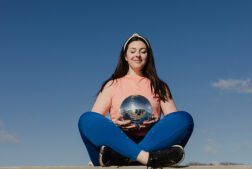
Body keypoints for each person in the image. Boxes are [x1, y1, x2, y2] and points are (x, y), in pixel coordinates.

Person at [78, 33, 194, 168]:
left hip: (152, 142)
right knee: (86, 119)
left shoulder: (159, 86)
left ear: (148, 56)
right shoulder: (111, 85)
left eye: (143, 52)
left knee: (184, 118)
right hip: (118, 142)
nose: (137, 55)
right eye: (132, 51)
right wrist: (116, 123)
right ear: (125, 56)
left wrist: (155, 122)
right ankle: (145, 157)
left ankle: (125, 158)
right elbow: (95, 121)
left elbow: (173, 121)